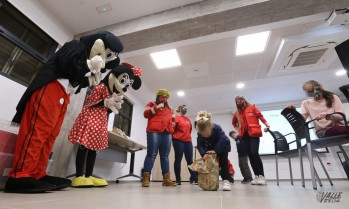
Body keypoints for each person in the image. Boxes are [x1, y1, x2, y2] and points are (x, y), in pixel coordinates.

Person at [5, 31, 123, 193]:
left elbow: (74, 76)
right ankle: (20, 175)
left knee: (50, 135)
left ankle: (38, 173)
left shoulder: (85, 59)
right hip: (50, 87)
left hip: (63, 95)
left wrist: (87, 79)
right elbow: (66, 63)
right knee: (37, 132)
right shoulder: (77, 46)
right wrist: (88, 66)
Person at [68, 63, 142, 187]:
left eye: (127, 85)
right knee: (84, 147)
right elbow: (90, 102)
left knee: (93, 149)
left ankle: (89, 175)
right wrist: (106, 102)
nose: (124, 87)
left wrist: (112, 105)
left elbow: (106, 109)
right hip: (90, 118)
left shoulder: (111, 93)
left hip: (100, 122)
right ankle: (79, 176)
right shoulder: (101, 86)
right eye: (123, 81)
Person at [232, 96, 270, 186]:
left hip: (253, 134)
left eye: (240, 100)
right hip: (244, 136)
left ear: (244, 100)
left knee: (254, 153)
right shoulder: (236, 113)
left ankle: (262, 176)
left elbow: (260, 116)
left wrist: (267, 125)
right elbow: (233, 123)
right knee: (250, 155)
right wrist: (238, 129)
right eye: (237, 102)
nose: (239, 103)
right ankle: (256, 176)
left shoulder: (252, 107)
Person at [142, 89, 176, 187]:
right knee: (151, 154)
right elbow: (145, 114)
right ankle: (146, 179)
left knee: (165, 155)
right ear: (158, 97)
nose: (164, 99)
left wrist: (173, 123)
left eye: (165, 97)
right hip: (154, 131)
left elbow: (173, 118)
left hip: (167, 132)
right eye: (162, 97)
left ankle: (166, 180)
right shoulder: (152, 104)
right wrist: (156, 107)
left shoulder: (170, 108)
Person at [195, 111, 232, 191]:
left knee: (223, 162)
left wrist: (215, 150)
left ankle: (226, 181)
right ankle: (210, 182)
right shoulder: (199, 133)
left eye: (206, 132)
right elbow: (199, 145)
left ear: (209, 126)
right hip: (209, 147)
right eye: (203, 133)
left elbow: (222, 139)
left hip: (223, 146)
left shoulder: (217, 128)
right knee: (209, 164)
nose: (204, 134)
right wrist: (203, 154)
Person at [172, 105, 198, 185]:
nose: (185, 109)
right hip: (178, 140)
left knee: (190, 160)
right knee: (178, 159)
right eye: (184, 108)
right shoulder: (176, 118)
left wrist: (186, 137)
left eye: (186, 108)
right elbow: (172, 129)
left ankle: (194, 178)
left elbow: (189, 130)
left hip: (187, 141)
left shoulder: (187, 119)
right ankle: (178, 179)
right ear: (179, 109)